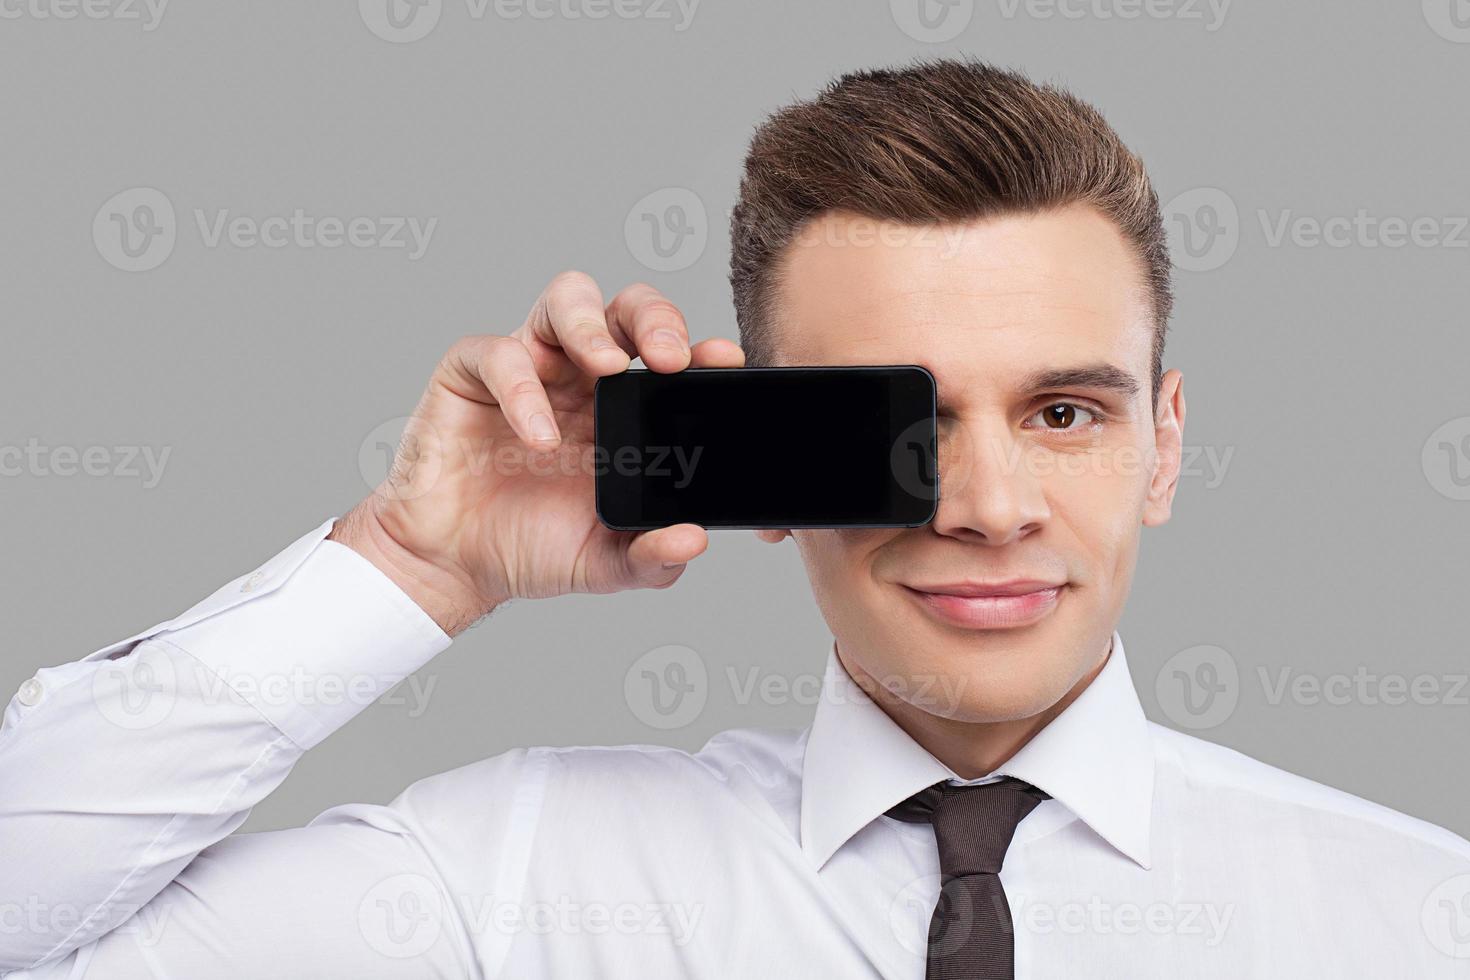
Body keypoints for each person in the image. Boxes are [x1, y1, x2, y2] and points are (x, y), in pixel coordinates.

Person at [3, 58, 1467, 979]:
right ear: (761, 460)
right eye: (898, 426)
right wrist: (409, 563)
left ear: (1162, 446)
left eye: (1064, 414)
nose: (987, 508)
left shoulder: (1416, 918)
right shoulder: (502, 884)